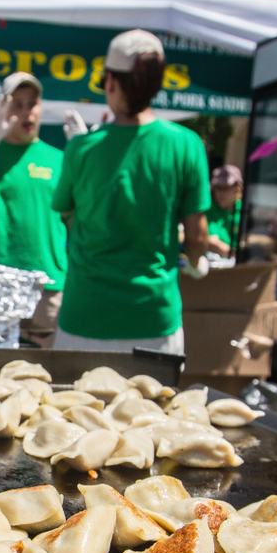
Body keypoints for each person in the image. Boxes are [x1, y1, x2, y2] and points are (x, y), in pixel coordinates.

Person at [51, 30, 210, 353]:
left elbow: (67, 214)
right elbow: (197, 237)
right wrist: (196, 264)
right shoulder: (186, 144)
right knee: (156, 405)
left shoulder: (81, 149)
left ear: (110, 81)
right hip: (153, 321)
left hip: (85, 317)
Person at [0, 71, 69, 347]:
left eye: (32, 103)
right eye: (17, 104)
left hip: (48, 288)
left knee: (45, 375)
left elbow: (76, 219)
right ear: (4, 109)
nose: (27, 112)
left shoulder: (59, 159)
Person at [204, 165, 246, 258]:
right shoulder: (209, 207)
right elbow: (211, 242)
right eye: (218, 188)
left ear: (237, 188)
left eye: (225, 188)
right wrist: (235, 255)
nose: (220, 193)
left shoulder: (244, 209)